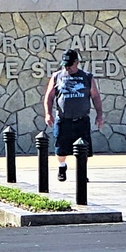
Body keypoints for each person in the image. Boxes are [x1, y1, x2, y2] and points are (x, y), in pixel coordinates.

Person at [43, 48, 104, 182]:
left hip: (81, 119)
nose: (67, 67)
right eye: (65, 64)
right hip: (63, 119)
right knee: (61, 149)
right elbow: (49, 97)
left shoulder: (87, 77)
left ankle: (82, 173)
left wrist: (99, 115)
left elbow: (95, 97)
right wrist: (48, 113)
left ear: (76, 62)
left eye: (69, 64)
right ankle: (62, 167)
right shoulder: (57, 76)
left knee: (84, 150)